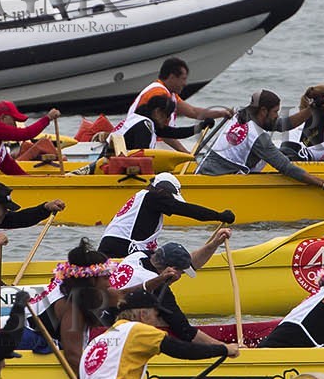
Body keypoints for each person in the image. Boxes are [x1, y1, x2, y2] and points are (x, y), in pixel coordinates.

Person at [81, 287, 236, 379]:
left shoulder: (100, 339)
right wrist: (224, 349)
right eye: (156, 316)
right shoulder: (136, 330)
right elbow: (182, 349)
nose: (159, 322)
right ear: (143, 314)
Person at [196, 90, 324, 199]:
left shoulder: (242, 115)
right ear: (263, 110)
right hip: (216, 184)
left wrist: (312, 108)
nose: (277, 116)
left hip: (204, 173)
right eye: (275, 112)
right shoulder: (257, 136)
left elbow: (283, 125)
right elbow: (286, 167)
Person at [109, 230, 233, 349]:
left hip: (103, 310)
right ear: (172, 270)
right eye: (181, 272)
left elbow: (191, 261)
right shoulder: (158, 287)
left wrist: (214, 244)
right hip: (113, 328)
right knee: (164, 320)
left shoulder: (139, 255)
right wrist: (224, 347)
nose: (180, 277)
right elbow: (186, 332)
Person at [97, 172, 233, 259]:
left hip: (112, 247)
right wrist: (219, 215)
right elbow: (188, 210)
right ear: (161, 190)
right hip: (119, 249)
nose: (171, 202)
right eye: (170, 198)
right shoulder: (153, 197)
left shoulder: (144, 197)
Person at [126, 57, 235, 152]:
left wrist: (221, 113)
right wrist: (184, 153)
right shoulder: (159, 94)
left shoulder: (168, 93)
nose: (185, 83)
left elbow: (193, 112)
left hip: (154, 139)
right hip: (144, 141)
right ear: (172, 77)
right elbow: (165, 135)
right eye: (183, 79)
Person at [117, 92, 201, 152]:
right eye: (167, 115)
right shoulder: (143, 127)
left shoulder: (139, 119)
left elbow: (174, 133)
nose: (168, 120)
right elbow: (141, 158)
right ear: (157, 112)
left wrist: (200, 127)